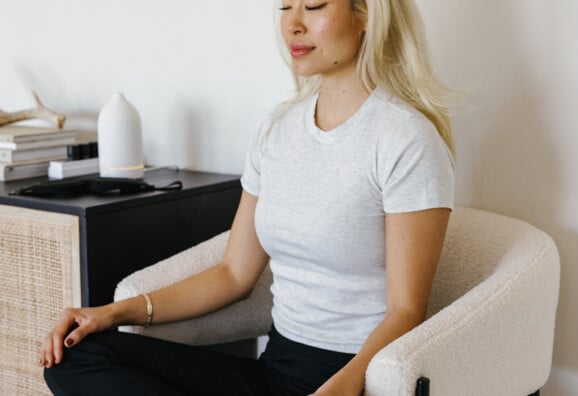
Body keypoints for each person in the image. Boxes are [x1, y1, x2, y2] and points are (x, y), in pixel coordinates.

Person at [41, 0, 455, 395]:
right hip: (273, 373)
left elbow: (405, 310)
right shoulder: (276, 128)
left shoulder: (406, 139)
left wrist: (343, 386)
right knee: (76, 357)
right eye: (285, 8)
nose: (293, 23)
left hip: (350, 378)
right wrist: (113, 313)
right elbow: (234, 274)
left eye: (313, 7)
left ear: (366, 15)